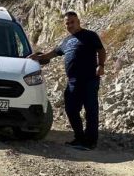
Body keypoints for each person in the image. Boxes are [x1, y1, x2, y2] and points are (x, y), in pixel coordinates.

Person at [29, 11, 106, 150]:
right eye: (67, 23)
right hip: (73, 81)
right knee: (70, 109)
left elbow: (101, 50)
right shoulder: (66, 41)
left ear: (78, 22)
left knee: (91, 110)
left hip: (89, 79)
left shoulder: (90, 35)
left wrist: (101, 65)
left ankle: (90, 142)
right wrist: (39, 57)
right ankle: (79, 138)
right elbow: (54, 53)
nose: (70, 25)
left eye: (72, 22)